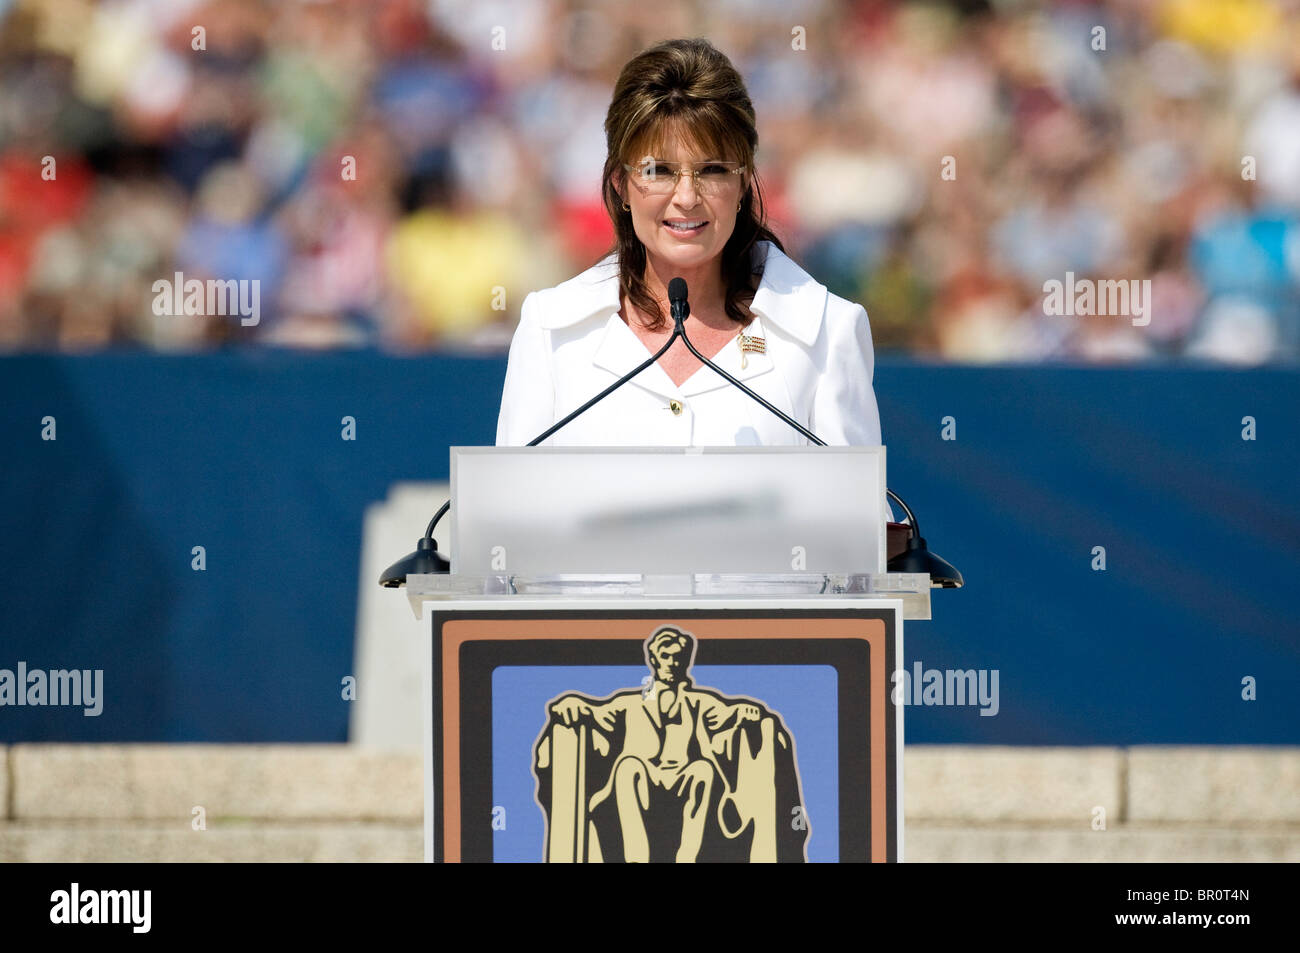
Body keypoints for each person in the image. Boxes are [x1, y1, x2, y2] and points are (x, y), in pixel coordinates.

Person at [495, 37, 883, 450]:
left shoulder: (828, 331)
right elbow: (509, 510)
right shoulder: (550, 328)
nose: (686, 197)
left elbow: (856, 512)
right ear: (619, 184)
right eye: (658, 170)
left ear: (743, 184)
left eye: (712, 170)